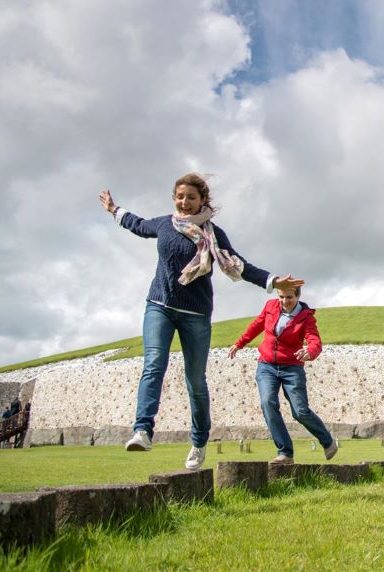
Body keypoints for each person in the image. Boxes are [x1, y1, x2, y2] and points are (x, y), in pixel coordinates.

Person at [100, 173, 303, 471]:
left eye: (191, 197)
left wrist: (273, 281)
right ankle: (142, 429)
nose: (184, 202)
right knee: (154, 363)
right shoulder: (165, 224)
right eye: (180, 197)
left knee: (195, 381)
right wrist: (114, 210)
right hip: (159, 305)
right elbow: (139, 225)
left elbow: (239, 265)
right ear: (174, 199)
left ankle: (198, 442)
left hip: (196, 314)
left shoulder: (213, 234)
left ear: (202, 201)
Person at [228, 285, 338, 464]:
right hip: (267, 366)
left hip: (292, 367)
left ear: (297, 296)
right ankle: (285, 452)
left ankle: (328, 442)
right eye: (281, 297)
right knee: (268, 403)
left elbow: (314, 340)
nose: (284, 302)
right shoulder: (271, 306)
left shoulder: (305, 317)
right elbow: (257, 325)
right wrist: (239, 343)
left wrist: (310, 352)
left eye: (289, 297)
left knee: (300, 411)